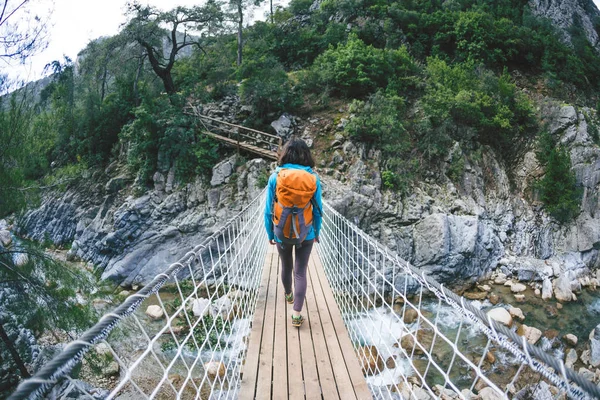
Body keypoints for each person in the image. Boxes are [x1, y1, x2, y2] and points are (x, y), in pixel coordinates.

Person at [264, 137, 323, 328]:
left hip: (281, 231)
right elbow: (317, 210)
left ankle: (288, 294)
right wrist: (317, 232)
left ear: (285, 154)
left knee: (286, 265)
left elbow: (268, 210)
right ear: (306, 155)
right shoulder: (313, 179)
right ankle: (296, 314)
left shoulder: (275, 177)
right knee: (300, 272)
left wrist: (270, 234)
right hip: (307, 232)